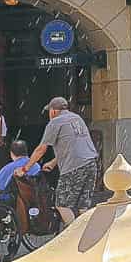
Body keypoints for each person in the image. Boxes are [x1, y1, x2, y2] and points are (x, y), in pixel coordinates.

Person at [27, 96, 98, 226]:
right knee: (83, 205)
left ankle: (74, 234)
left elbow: (41, 149)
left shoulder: (55, 122)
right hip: (91, 163)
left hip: (74, 167)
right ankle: (87, 235)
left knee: (62, 204)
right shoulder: (77, 118)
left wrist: (25, 168)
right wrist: (54, 162)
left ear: (53, 111)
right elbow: (72, 145)